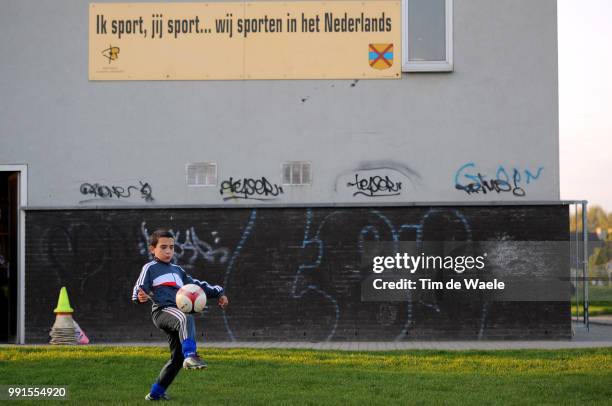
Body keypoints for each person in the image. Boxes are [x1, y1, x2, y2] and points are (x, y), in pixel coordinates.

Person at [132, 229, 229, 401]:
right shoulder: (150, 268)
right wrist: (139, 296)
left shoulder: (178, 270)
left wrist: (219, 293)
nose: (168, 251)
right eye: (163, 247)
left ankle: (155, 394)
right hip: (162, 311)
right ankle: (191, 355)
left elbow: (198, 286)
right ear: (152, 249)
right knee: (185, 316)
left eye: (171, 247)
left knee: (176, 359)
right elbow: (140, 288)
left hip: (176, 316)